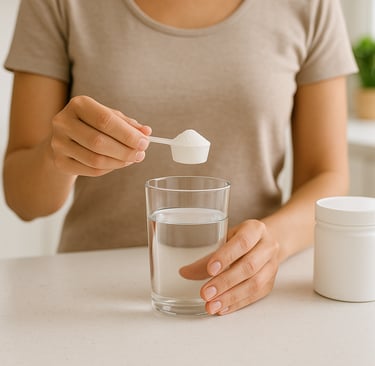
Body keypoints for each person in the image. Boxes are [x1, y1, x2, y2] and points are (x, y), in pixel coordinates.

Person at [3, 0, 357, 315]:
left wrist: (272, 244)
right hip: (87, 301)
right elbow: (24, 201)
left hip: (246, 300)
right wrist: (58, 155)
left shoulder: (312, 5)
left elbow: (325, 174)